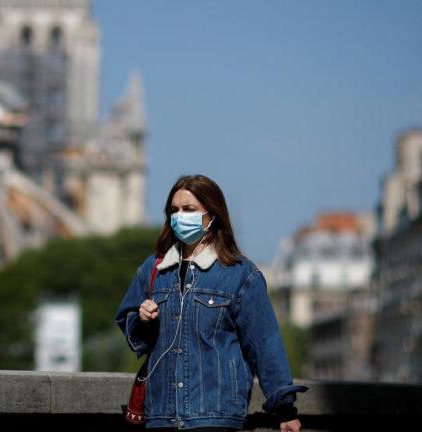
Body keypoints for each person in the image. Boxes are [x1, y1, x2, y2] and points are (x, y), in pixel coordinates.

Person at [114, 174, 309, 431]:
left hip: (215, 415)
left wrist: (285, 409)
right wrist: (140, 318)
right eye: (174, 210)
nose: (179, 216)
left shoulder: (241, 273)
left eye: (189, 209)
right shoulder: (154, 268)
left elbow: (265, 343)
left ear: (212, 216)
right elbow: (131, 329)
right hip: (161, 415)